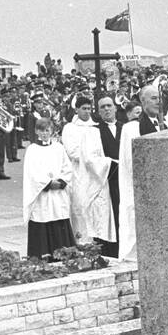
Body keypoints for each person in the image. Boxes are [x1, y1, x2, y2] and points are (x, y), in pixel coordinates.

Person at [117, 80, 166, 260]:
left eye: (159, 98)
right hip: (141, 188)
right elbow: (131, 161)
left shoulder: (166, 125)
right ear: (143, 102)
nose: (158, 102)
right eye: (153, 98)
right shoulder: (132, 128)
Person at [61, 97, 116, 249]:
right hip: (79, 173)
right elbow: (73, 152)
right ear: (76, 110)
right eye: (83, 108)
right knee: (80, 206)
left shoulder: (96, 127)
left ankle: (98, 242)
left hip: (97, 173)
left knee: (98, 208)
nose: (86, 111)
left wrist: (97, 160)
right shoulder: (70, 128)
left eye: (88, 108)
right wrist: (90, 157)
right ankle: (81, 241)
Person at [22, 117, 75, 259]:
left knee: (59, 217)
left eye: (47, 130)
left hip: (58, 193)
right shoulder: (32, 150)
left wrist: (62, 181)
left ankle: (64, 255)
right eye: (41, 130)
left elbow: (67, 167)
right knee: (43, 217)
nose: (45, 133)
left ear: (52, 130)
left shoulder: (58, 147)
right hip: (43, 194)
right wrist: (48, 183)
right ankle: (43, 256)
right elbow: (31, 173)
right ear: (36, 131)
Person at [95, 95, 122, 257]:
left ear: (115, 108)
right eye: (102, 107)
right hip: (108, 178)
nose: (106, 109)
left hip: (124, 178)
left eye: (109, 106)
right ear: (98, 112)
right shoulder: (96, 131)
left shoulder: (124, 127)